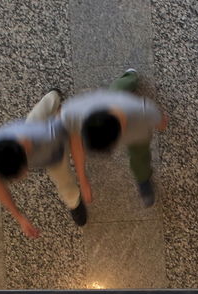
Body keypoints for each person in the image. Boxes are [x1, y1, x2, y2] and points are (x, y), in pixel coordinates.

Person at [0, 90, 90, 238]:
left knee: (67, 186)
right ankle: (52, 97)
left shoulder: (48, 136)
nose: (22, 177)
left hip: (53, 154)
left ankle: (74, 201)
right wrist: (19, 217)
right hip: (33, 130)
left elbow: (75, 135)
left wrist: (82, 178)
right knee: (40, 112)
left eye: (18, 175)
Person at [59, 69, 168, 207]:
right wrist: (82, 179)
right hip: (119, 107)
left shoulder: (144, 112)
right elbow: (75, 142)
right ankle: (129, 78)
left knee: (140, 155)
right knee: (116, 90)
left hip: (138, 136)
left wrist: (160, 122)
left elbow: (161, 123)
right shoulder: (72, 113)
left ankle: (143, 178)